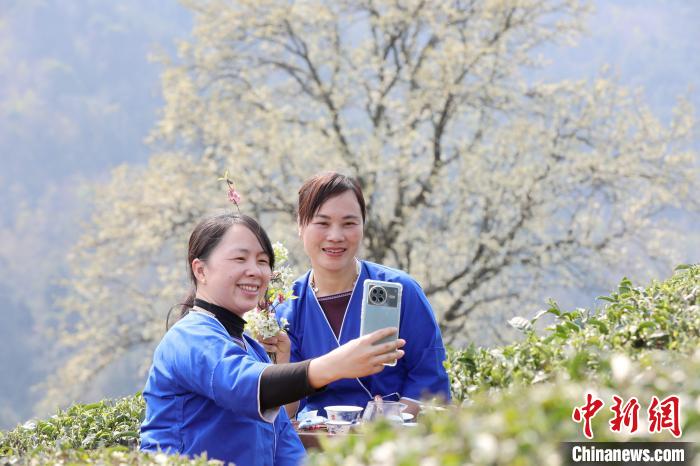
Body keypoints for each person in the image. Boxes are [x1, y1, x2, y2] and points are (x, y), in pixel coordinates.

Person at [140, 213, 405, 466]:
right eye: (240, 258)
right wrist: (335, 365)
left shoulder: (252, 349)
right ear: (200, 270)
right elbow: (244, 384)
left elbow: (283, 444)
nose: (254, 271)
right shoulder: (189, 336)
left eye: (262, 261)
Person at [272, 172, 450, 420]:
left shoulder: (401, 290)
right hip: (315, 439)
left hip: (392, 436)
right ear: (301, 226)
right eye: (322, 223)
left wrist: (380, 429)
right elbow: (284, 411)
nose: (336, 236)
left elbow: (429, 381)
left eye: (349, 223)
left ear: (363, 226)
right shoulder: (286, 307)